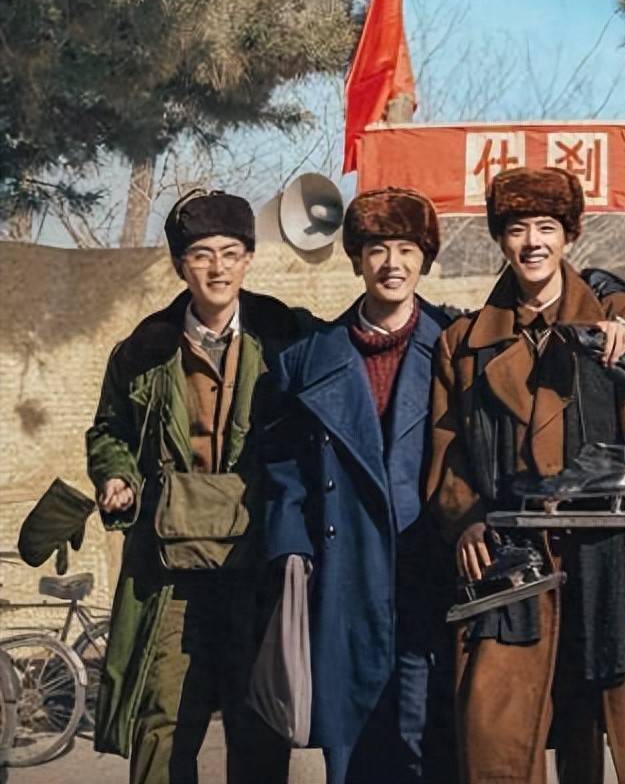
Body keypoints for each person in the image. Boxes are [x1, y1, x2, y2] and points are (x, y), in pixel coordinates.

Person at [426, 166, 625, 784]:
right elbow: (448, 450)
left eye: (546, 227)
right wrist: (465, 520)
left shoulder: (613, 317)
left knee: (586, 718)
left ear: (568, 236)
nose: (532, 242)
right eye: (516, 229)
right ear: (499, 239)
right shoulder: (463, 342)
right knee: (501, 727)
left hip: (598, 552)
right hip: (509, 553)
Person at [86, 189, 300, 784]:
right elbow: (109, 430)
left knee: (258, 721)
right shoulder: (144, 350)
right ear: (181, 265)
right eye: (202, 255)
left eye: (230, 253)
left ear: (249, 259)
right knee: (163, 719)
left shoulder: (285, 335)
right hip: (170, 572)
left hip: (256, 565)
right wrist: (116, 475)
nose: (217, 269)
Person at [259, 187, 456, 783]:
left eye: (406, 249)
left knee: (427, 741)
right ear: (356, 259)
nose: (393, 264)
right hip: (341, 578)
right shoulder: (306, 359)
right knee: (354, 749)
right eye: (377, 249)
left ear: (424, 258)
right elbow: (282, 469)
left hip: (428, 572)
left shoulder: (457, 345)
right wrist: (292, 550)